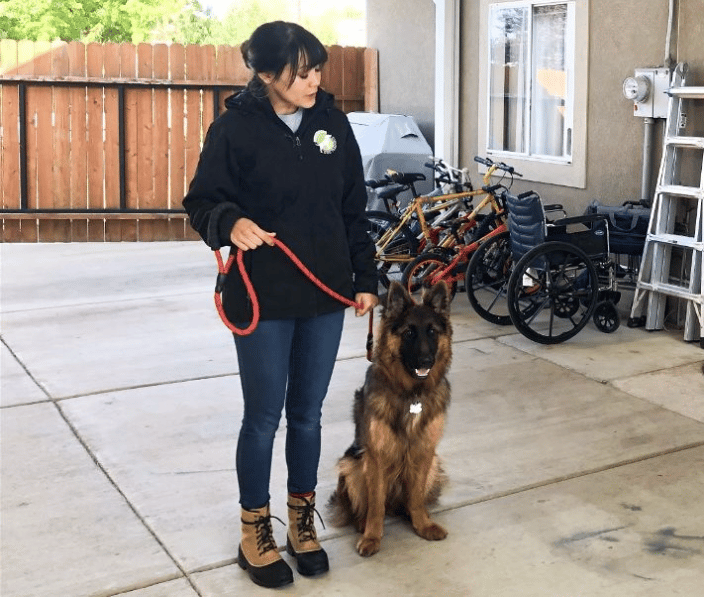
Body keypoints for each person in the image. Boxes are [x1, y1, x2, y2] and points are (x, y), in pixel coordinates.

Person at [182, 21, 378, 589]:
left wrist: (364, 277)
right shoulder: (234, 129)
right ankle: (254, 532)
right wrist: (229, 222)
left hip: (324, 293)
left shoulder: (333, 124)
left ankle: (301, 523)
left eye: (318, 70)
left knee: (308, 414)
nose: (315, 81)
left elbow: (353, 207)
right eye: (302, 72)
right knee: (264, 417)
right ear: (267, 74)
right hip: (262, 296)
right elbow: (201, 201)